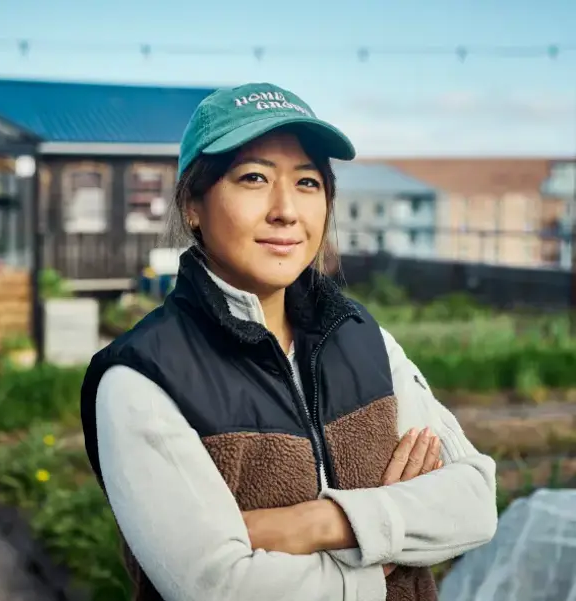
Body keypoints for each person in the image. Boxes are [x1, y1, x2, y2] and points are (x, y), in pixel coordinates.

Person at [80, 83, 497, 601]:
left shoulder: (366, 343)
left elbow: (476, 501)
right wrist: (378, 565)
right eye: (254, 178)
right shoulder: (142, 378)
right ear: (193, 203)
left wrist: (316, 523)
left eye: (307, 182)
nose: (286, 210)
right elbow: (218, 585)